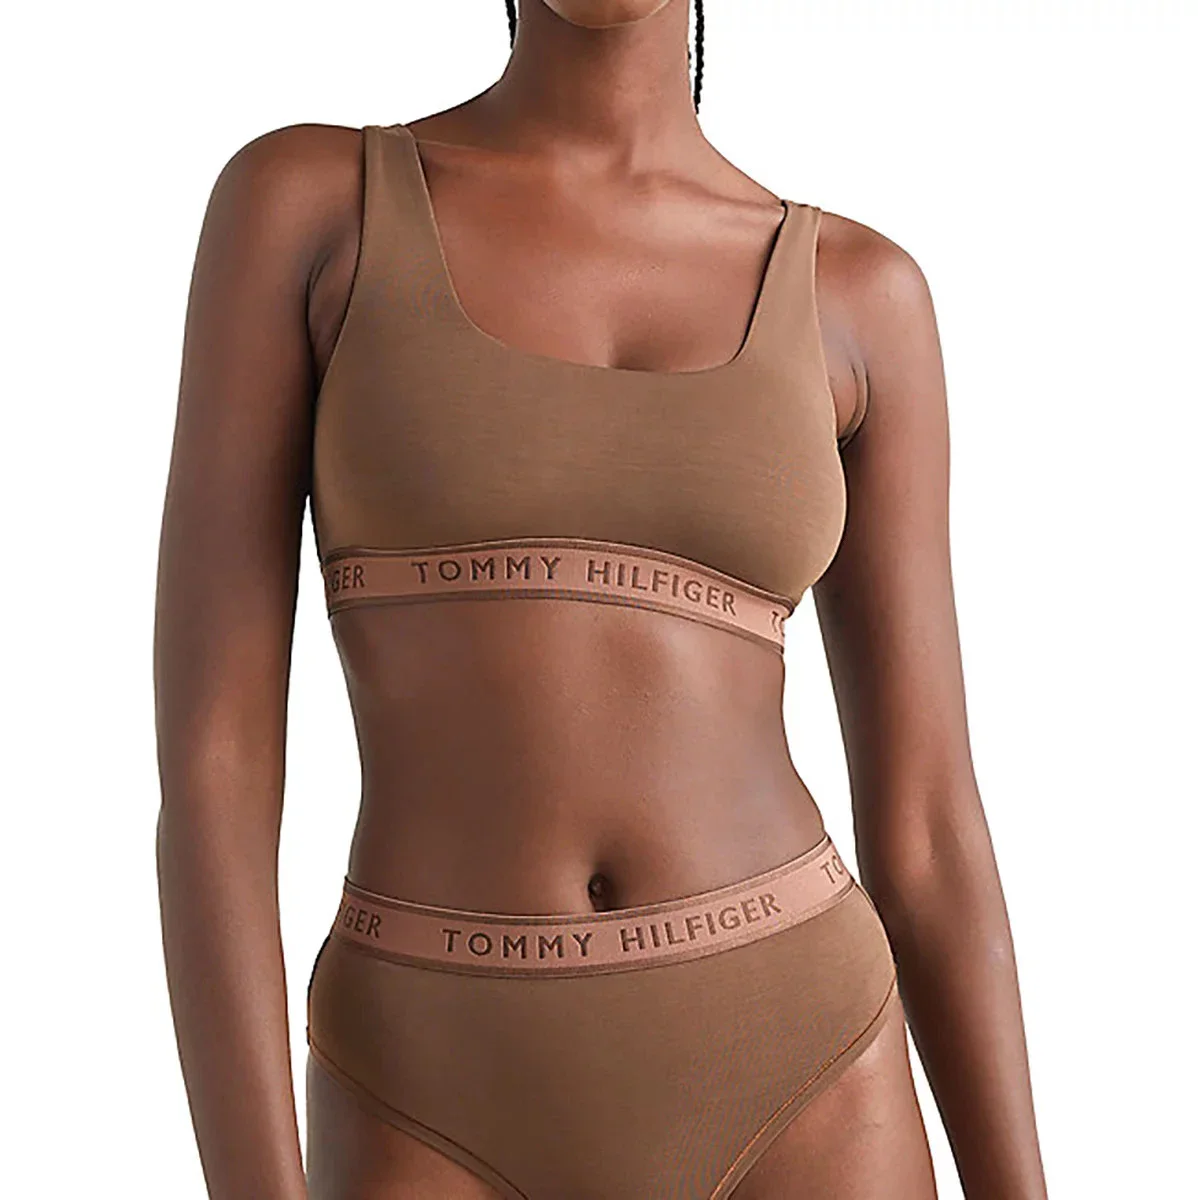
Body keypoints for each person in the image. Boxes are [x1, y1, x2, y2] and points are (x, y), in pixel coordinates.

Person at [154, 1, 1049, 1196]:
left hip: (805, 1073)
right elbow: (214, 767)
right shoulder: (313, 207)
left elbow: (928, 829)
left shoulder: (859, 292)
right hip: (426, 1079)